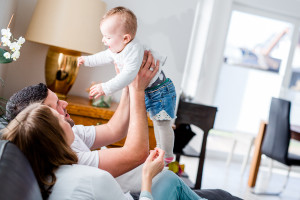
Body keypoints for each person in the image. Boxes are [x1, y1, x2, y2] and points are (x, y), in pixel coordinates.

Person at [5, 51, 203, 199]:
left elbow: (113, 130)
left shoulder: (66, 133)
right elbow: (136, 153)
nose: (64, 104)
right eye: (55, 106)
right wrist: (137, 90)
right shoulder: (70, 158)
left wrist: (127, 83)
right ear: (39, 120)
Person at [1, 103, 166, 199]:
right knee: (170, 181)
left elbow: (114, 129)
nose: (65, 117)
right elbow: (135, 153)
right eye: (59, 119)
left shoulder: (45, 175)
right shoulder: (93, 178)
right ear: (55, 138)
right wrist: (147, 177)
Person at [77, 6, 176, 164]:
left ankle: (167, 155)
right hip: (148, 91)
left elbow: (128, 75)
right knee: (155, 122)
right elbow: (104, 56)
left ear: (125, 38)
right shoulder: (118, 47)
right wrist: (87, 60)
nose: (104, 40)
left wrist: (105, 87)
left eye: (107, 37)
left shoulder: (133, 50)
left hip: (160, 91)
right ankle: (161, 153)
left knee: (162, 124)